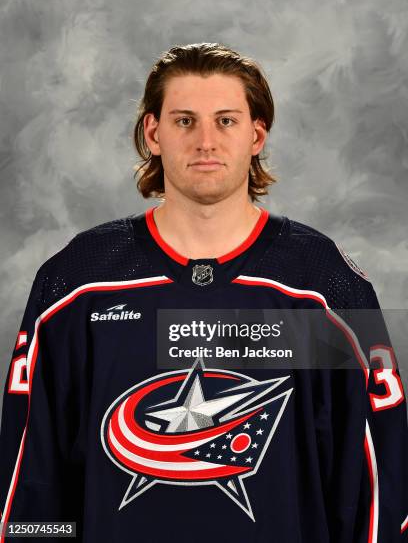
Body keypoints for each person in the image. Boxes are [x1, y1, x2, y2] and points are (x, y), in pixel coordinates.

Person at [0, 42, 407, 542]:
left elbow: (377, 486)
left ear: (257, 133)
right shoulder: (78, 284)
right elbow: (30, 486)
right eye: (185, 121)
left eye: (227, 121)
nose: (206, 142)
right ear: (153, 133)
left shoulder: (323, 285)